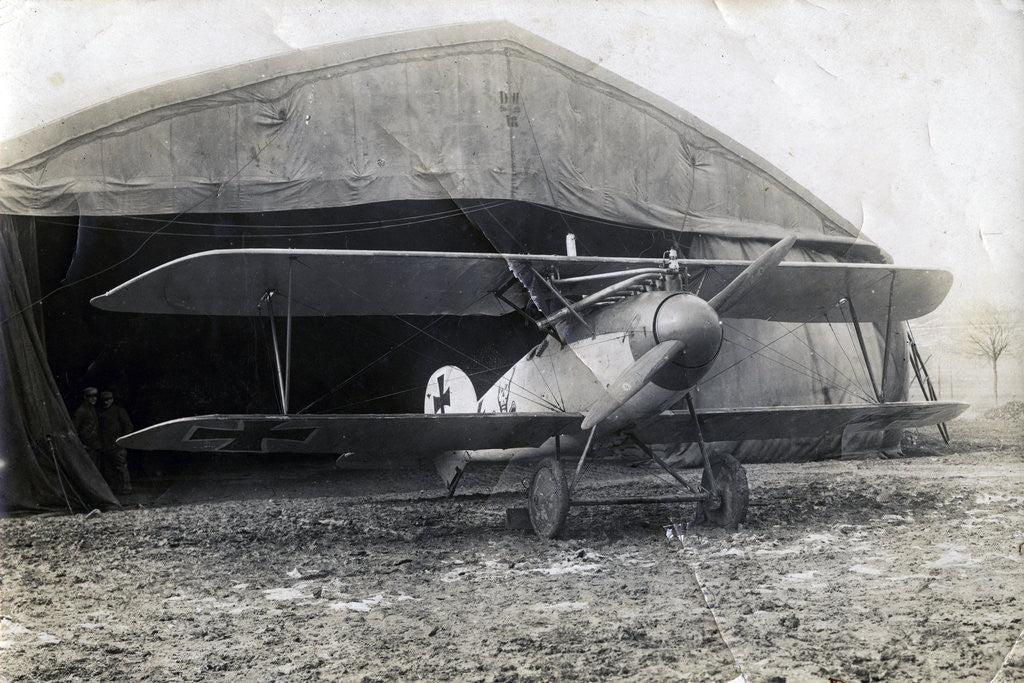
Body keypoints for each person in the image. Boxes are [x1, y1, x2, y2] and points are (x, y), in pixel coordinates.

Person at [98, 390, 134, 495]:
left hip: (118, 446)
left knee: (122, 468)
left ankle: (126, 489)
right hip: (105, 446)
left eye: (108, 400)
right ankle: (114, 490)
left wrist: (123, 440)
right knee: (109, 470)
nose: (106, 402)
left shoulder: (119, 411)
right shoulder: (100, 412)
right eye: (104, 400)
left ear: (112, 400)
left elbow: (128, 426)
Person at [72, 386, 101, 466]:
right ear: (85, 397)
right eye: (90, 396)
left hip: (94, 445)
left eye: (95, 396)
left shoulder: (92, 409)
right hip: (86, 446)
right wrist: (80, 444)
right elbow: (74, 428)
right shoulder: (81, 411)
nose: (94, 398)